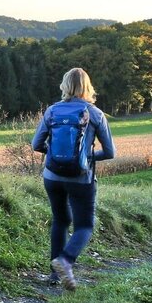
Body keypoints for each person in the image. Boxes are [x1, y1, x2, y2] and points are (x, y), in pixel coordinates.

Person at [31, 68, 115, 290]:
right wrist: (85, 158)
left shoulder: (51, 111)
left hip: (52, 176)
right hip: (81, 178)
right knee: (85, 225)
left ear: (65, 86)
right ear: (87, 87)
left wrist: (56, 157)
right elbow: (109, 152)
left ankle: (54, 275)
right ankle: (65, 261)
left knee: (60, 220)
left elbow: (36, 145)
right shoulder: (95, 114)